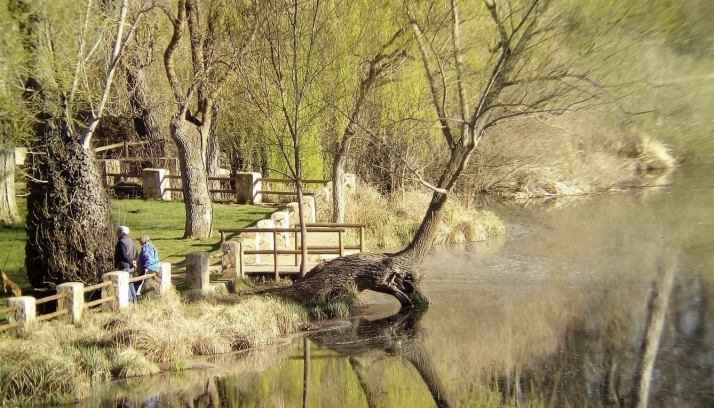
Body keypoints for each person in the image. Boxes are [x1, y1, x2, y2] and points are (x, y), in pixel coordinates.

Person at [114, 225, 139, 304]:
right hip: (131, 266)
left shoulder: (121, 242)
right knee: (130, 283)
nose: (117, 233)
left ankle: (130, 303)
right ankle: (135, 301)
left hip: (124, 266)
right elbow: (137, 254)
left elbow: (124, 256)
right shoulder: (131, 241)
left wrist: (130, 262)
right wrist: (134, 262)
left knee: (126, 285)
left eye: (118, 231)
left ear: (122, 232)